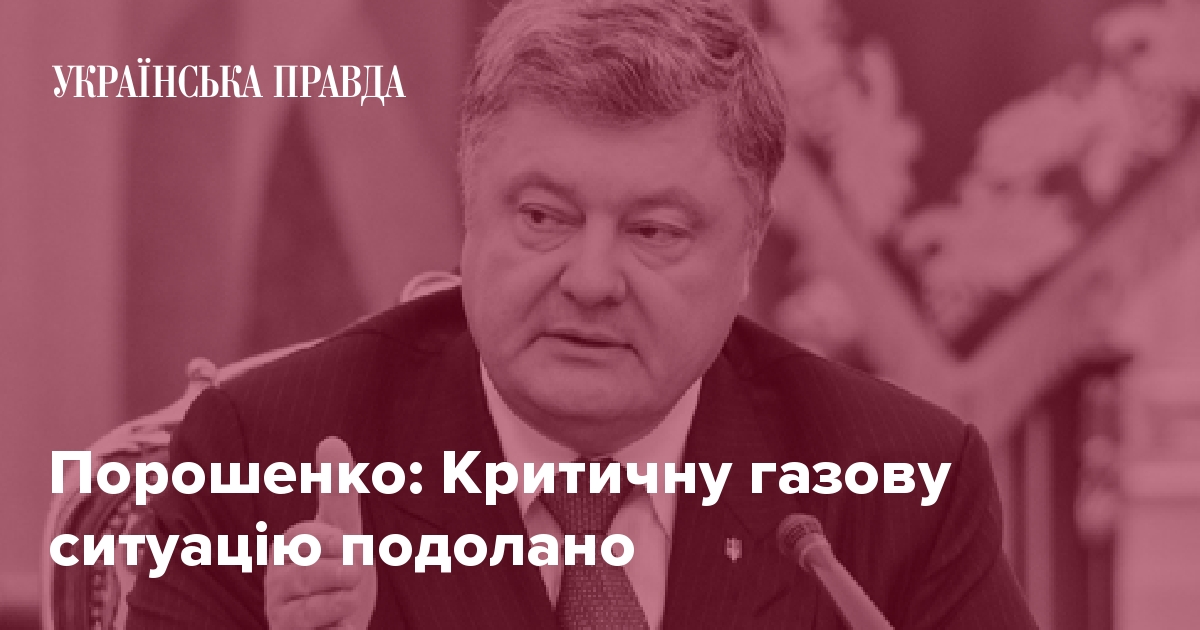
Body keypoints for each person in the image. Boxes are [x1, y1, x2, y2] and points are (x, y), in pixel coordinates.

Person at [127, 0, 1037, 628]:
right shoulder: (257, 459)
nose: (592, 280)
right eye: (543, 218)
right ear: (470, 213)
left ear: (749, 251)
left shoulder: (904, 487)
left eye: (655, 231)